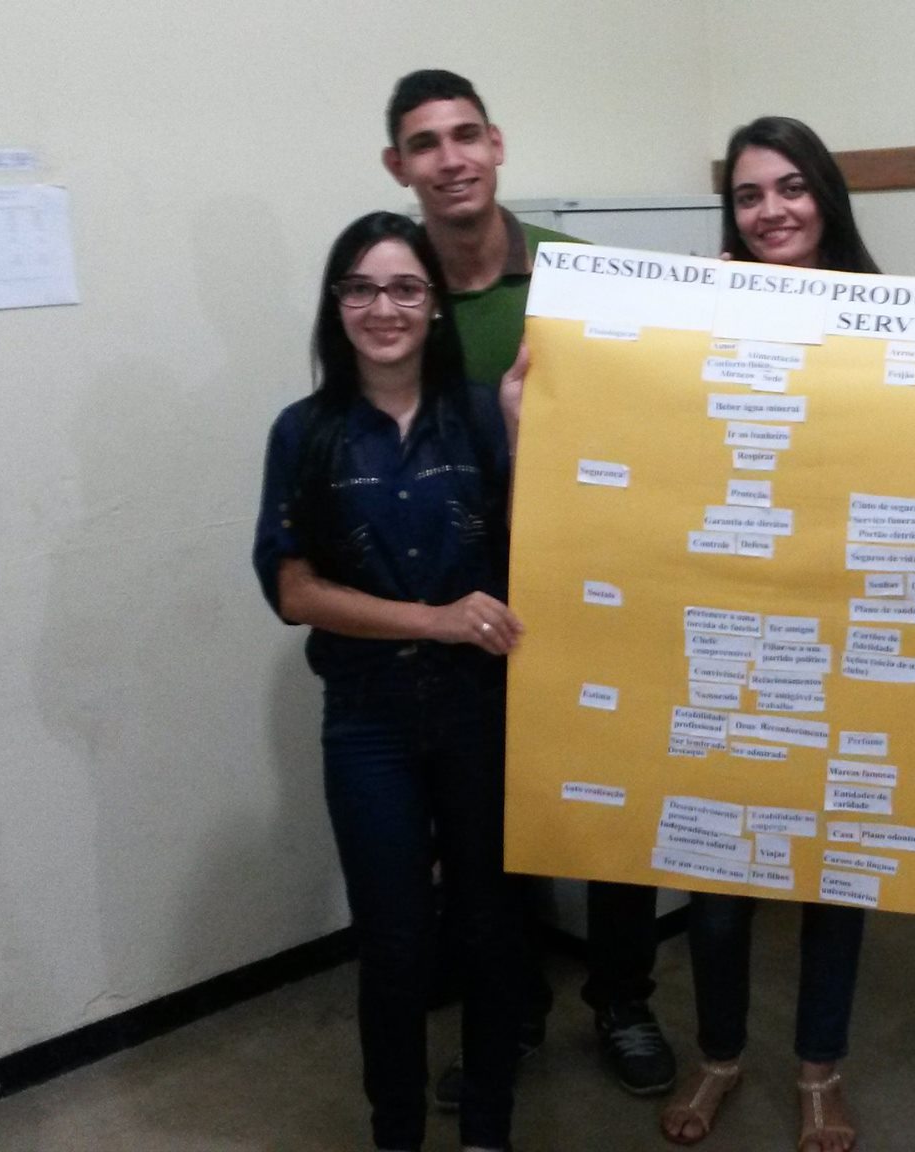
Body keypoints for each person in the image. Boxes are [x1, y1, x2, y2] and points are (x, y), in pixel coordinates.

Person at [381, 67, 678, 1100]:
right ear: (397, 166)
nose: (451, 159)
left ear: (497, 144)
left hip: (597, 589)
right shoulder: (395, 290)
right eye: (426, 143)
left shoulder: (580, 275)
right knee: (484, 826)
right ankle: (508, 1011)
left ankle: (624, 997)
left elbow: (656, 419)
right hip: (461, 606)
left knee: (615, 811)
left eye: (466, 135)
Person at [252, 210, 527, 1152]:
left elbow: (548, 540)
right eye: (362, 288)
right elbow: (294, 591)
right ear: (337, 305)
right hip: (367, 722)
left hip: (480, 712)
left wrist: (524, 435)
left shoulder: (482, 414)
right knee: (396, 942)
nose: (385, 308)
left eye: (406, 288)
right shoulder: (305, 433)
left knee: (491, 930)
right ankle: (397, 1132)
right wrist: (435, 619)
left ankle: (487, 1126)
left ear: (435, 305)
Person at [657, 115, 880, 1152]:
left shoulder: (890, 319)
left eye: (791, 187)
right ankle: (718, 1055)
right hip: (721, 623)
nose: (771, 211)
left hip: (840, 630)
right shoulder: (701, 316)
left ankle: (819, 1070)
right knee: (715, 878)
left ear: (825, 194)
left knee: (833, 869)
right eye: (748, 195)